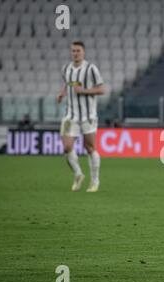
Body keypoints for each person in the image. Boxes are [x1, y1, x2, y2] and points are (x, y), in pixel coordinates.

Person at [57, 41, 105, 192]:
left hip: (88, 116)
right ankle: (78, 174)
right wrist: (62, 93)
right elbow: (67, 83)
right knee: (67, 147)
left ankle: (95, 181)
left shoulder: (91, 69)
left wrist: (83, 91)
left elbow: (102, 89)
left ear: (83, 53)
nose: (75, 53)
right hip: (70, 115)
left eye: (78, 51)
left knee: (89, 148)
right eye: (73, 51)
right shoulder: (66, 68)